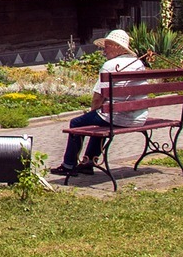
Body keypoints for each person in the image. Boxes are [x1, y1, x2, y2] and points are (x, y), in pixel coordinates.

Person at [53, 28, 147, 176]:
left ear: (118, 47)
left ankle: (69, 165)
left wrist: (92, 112)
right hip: (138, 117)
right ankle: (88, 162)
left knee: (77, 123)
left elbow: (98, 98)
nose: (104, 50)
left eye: (108, 46)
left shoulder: (110, 66)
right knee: (99, 119)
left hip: (118, 117)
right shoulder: (138, 63)